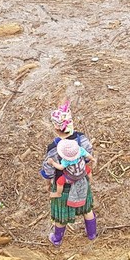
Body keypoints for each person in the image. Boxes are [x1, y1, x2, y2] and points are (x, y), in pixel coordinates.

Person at [40, 100, 97, 246]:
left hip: (64, 185)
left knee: (61, 215)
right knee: (87, 209)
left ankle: (57, 239)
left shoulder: (54, 147)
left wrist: (48, 183)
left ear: (55, 127)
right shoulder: (81, 139)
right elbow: (88, 153)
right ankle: (92, 234)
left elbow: (48, 170)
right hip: (82, 180)